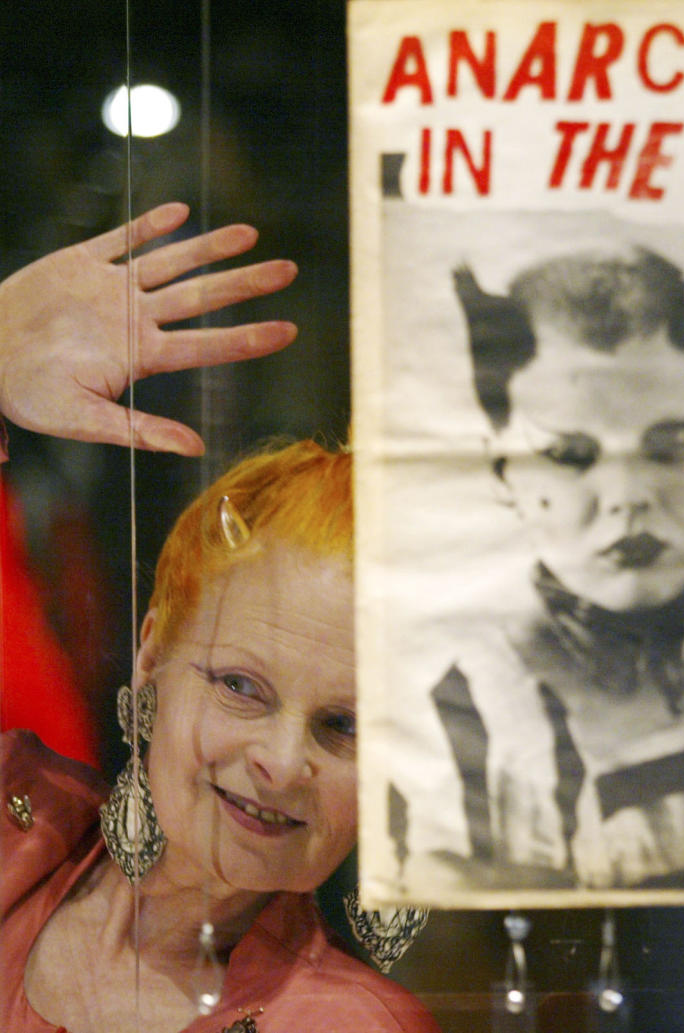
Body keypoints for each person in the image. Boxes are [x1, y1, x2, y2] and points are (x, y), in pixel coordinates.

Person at [0, 208, 440, 1033]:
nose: (279, 762)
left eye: (343, 725)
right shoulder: (15, 820)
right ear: (151, 654)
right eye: (241, 686)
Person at [389, 243, 684, 893]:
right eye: (570, 454)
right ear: (504, 469)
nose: (629, 493)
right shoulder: (479, 712)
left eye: (670, 446)